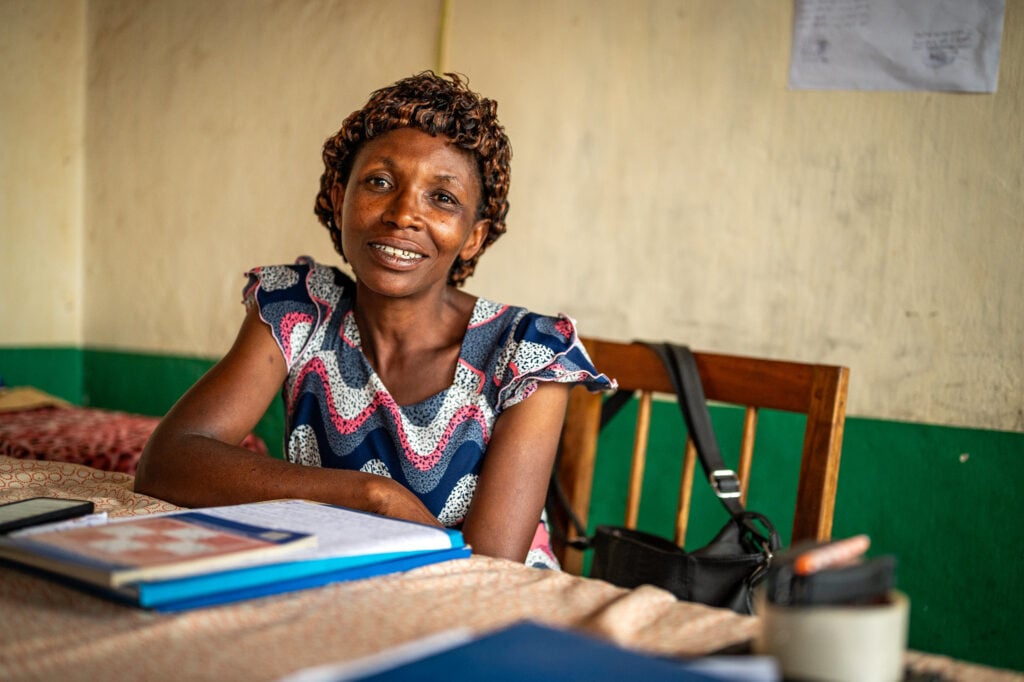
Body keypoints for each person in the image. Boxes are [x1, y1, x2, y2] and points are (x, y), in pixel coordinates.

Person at [134, 72, 613, 568]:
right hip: (340, 588)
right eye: (380, 182)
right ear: (340, 196)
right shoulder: (300, 309)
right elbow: (167, 461)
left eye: (442, 198)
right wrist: (370, 494)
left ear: (474, 236)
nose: (403, 213)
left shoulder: (526, 352)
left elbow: (488, 572)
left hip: (483, 615)